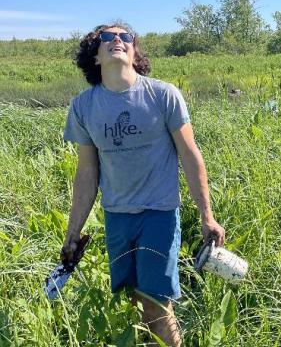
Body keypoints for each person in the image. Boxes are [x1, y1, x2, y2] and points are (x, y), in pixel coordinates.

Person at [61, 22, 225, 346]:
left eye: (126, 37)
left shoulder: (163, 95)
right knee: (134, 298)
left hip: (159, 213)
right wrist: (72, 231)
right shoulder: (83, 106)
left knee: (156, 301)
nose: (117, 40)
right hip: (117, 216)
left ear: (134, 52)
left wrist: (206, 214)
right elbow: (86, 174)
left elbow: (190, 155)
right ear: (95, 56)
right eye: (108, 37)